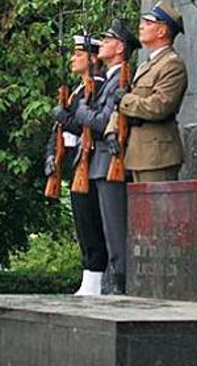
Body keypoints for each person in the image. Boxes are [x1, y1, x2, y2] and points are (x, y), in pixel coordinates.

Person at [55, 21, 140, 295]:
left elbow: (100, 121)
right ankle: (103, 281)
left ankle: (114, 283)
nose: (103, 42)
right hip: (93, 162)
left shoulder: (115, 79)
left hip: (107, 158)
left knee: (110, 229)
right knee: (97, 226)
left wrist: (75, 114)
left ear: (120, 47)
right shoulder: (104, 81)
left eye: (108, 39)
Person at [46, 35, 106, 295]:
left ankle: (96, 278)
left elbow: (88, 128)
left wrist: (65, 118)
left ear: (93, 59)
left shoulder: (97, 87)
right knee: (82, 223)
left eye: (78, 54)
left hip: (89, 161)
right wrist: (50, 155)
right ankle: (89, 276)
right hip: (74, 163)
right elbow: (59, 131)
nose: (72, 58)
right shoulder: (77, 90)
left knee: (91, 222)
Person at [109, 1, 188, 183]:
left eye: (148, 22)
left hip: (157, 154)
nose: (141, 26)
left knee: (159, 211)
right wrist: (112, 130)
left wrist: (125, 100)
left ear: (162, 31)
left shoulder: (171, 64)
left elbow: (160, 106)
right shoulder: (147, 64)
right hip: (138, 152)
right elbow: (128, 102)